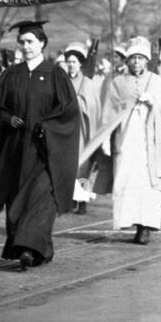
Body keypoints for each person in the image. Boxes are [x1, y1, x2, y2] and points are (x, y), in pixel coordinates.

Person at [0, 20, 80, 271]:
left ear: (43, 44)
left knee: (42, 200)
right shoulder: (11, 74)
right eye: (21, 42)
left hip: (46, 153)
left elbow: (69, 112)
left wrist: (47, 127)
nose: (25, 46)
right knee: (17, 202)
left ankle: (27, 249)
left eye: (30, 42)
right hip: (15, 152)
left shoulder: (57, 75)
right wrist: (6, 118)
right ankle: (38, 249)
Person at [94, 37, 161, 245]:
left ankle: (145, 226)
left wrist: (154, 103)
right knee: (128, 180)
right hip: (127, 139)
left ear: (147, 60)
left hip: (151, 142)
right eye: (133, 59)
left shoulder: (156, 81)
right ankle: (129, 219)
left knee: (148, 183)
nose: (136, 63)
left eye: (140, 58)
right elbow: (108, 112)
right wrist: (104, 139)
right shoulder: (118, 83)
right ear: (127, 61)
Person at [61, 42, 101, 215]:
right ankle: (69, 198)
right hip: (65, 129)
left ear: (80, 64)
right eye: (69, 61)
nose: (71, 65)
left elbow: (93, 107)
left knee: (83, 164)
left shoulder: (88, 83)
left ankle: (83, 200)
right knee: (67, 164)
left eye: (74, 62)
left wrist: (79, 104)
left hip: (82, 130)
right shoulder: (62, 82)